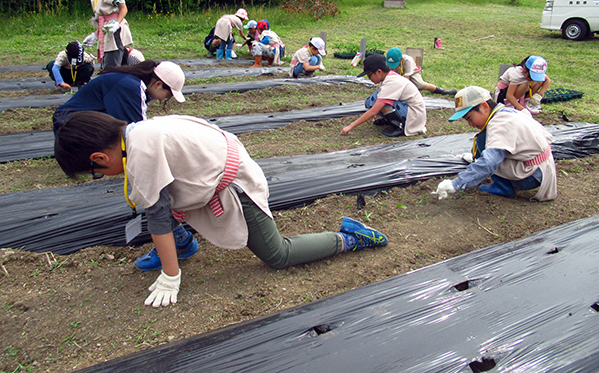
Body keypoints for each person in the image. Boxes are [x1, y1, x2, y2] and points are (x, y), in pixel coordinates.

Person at [54, 112, 389, 307]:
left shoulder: (140, 152)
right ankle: (183, 243)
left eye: (97, 173)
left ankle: (350, 238)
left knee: (278, 255)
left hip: (236, 185)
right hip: (219, 171)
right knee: (155, 196)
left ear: (99, 158)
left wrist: (171, 277)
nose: (103, 177)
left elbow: (156, 215)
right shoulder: (138, 132)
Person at [433, 86, 557, 202]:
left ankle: (503, 187)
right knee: (485, 142)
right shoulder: (506, 112)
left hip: (531, 176)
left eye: (469, 118)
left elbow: (489, 163)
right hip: (540, 168)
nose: (470, 124)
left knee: (483, 141)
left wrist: (456, 184)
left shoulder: (500, 124)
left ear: (484, 107)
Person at [52, 60, 185, 134]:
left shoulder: (130, 82)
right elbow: (138, 131)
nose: (162, 99)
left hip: (74, 126)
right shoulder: (129, 86)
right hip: (70, 129)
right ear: (158, 84)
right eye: (168, 95)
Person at [340, 54, 427, 138]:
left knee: (379, 101)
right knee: (372, 99)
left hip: (414, 116)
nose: (369, 79)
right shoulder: (388, 77)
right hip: (408, 110)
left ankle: (399, 126)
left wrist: (350, 126)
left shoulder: (392, 82)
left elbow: (373, 111)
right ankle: (390, 120)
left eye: (369, 75)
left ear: (379, 72)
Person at [385, 47, 456, 96]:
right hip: (401, 74)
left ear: (401, 59)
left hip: (412, 73)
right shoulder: (388, 62)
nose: (392, 67)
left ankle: (443, 91)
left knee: (421, 85)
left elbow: (406, 80)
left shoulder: (407, 60)